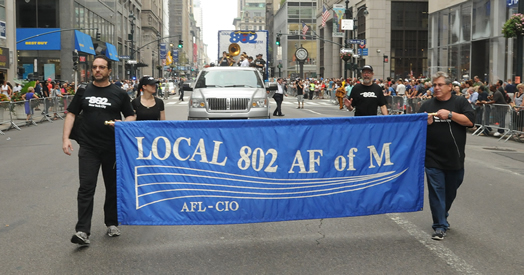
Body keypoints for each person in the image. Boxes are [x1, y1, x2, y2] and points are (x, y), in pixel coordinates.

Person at [62, 55, 136, 247]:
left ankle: (111, 223)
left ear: (109, 70)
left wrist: (123, 124)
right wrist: (65, 139)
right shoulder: (83, 90)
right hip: (88, 147)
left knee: (112, 187)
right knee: (86, 188)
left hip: (112, 147)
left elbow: (131, 115)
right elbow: (71, 114)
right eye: (95, 67)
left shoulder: (119, 93)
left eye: (102, 67)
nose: (97, 70)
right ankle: (82, 231)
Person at [418, 71, 474, 241]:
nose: (436, 88)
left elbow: (470, 121)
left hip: (455, 158)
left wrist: (450, 115)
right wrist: (424, 123)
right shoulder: (426, 105)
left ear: (450, 86)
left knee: (450, 191)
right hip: (432, 157)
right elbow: (415, 130)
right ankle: (439, 226)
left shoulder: (460, 102)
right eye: (434, 85)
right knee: (437, 192)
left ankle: (443, 213)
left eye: (440, 84)